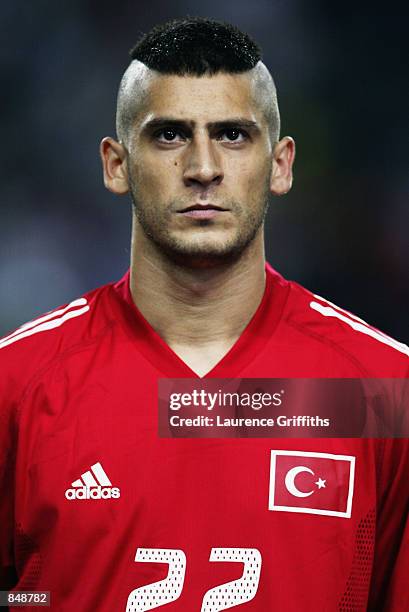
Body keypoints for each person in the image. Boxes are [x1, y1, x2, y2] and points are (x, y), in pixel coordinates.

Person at [0, 17, 407, 611]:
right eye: (169, 135)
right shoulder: (16, 385)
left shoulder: (381, 393)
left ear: (281, 163)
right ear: (116, 164)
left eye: (234, 135)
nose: (203, 167)